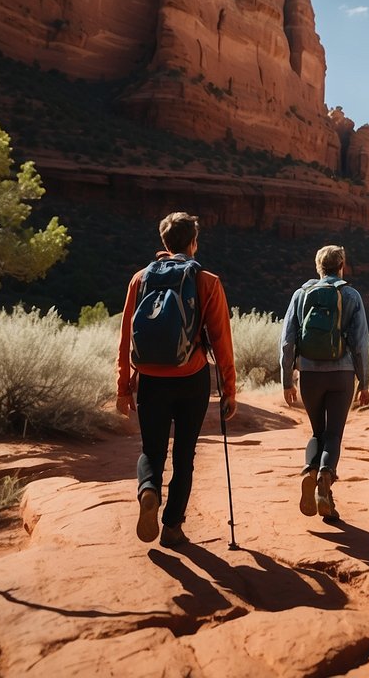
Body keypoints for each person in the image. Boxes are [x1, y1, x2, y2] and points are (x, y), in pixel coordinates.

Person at [117, 212, 238, 548]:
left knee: (151, 451)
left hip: (151, 379)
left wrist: (123, 386)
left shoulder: (140, 279)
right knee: (185, 454)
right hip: (191, 378)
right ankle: (172, 527)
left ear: (164, 242)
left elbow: (126, 336)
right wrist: (229, 389)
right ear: (193, 242)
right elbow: (222, 341)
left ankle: (149, 490)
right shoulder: (207, 281)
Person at [279, 245, 369, 522]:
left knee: (317, 432)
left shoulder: (301, 294)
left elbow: (287, 340)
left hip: (309, 374)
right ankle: (325, 482)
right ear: (342, 266)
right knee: (334, 434)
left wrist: (287, 380)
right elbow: (360, 344)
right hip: (341, 374)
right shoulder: (351, 295)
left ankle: (310, 471)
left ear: (318, 267)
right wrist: (364, 382)